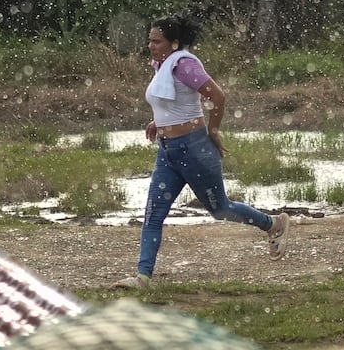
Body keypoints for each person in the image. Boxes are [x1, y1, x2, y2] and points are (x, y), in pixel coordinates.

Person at [115, 14, 290, 289]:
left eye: (156, 41)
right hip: (168, 153)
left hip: (194, 149)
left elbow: (217, 96)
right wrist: (157, 122)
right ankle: (142, 277)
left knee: (220, 209)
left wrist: (213, 130)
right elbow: (172, 102)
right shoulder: (161, 65)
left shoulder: (184, 65)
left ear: (174, 43)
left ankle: (273, 224)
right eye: (149, 40)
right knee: (153, 214)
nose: (150, 46)